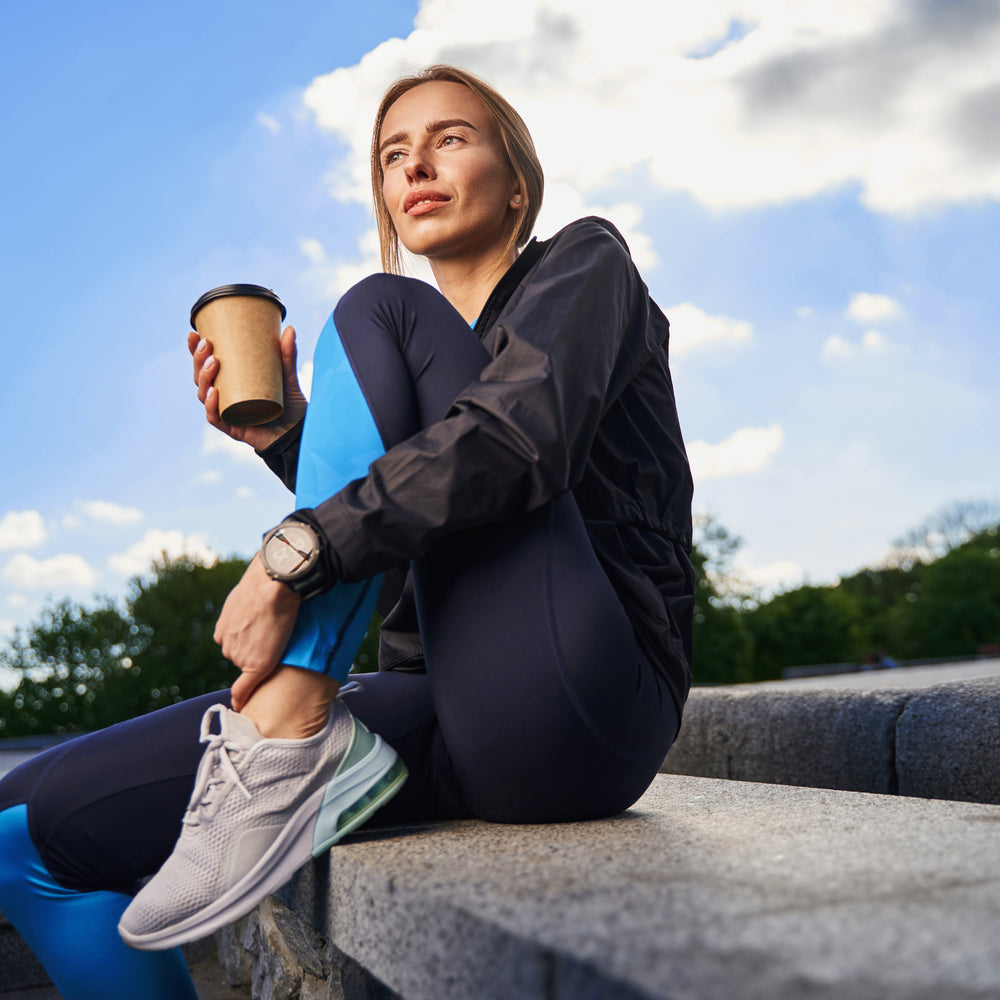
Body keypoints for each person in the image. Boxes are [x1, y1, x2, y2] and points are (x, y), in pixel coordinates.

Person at [0, 64, 694, 999]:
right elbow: (420, 531)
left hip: (585, 706)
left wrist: (295, 554)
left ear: (517, 182)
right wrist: (288, 435)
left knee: (379, 303)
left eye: (450, 139)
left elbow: (516, 440)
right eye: (393, 156)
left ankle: (290, 725)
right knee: (25, 826)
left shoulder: (585, 262)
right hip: (450, 709)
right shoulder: (410, 379)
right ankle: (291, 734)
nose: (417, 167)